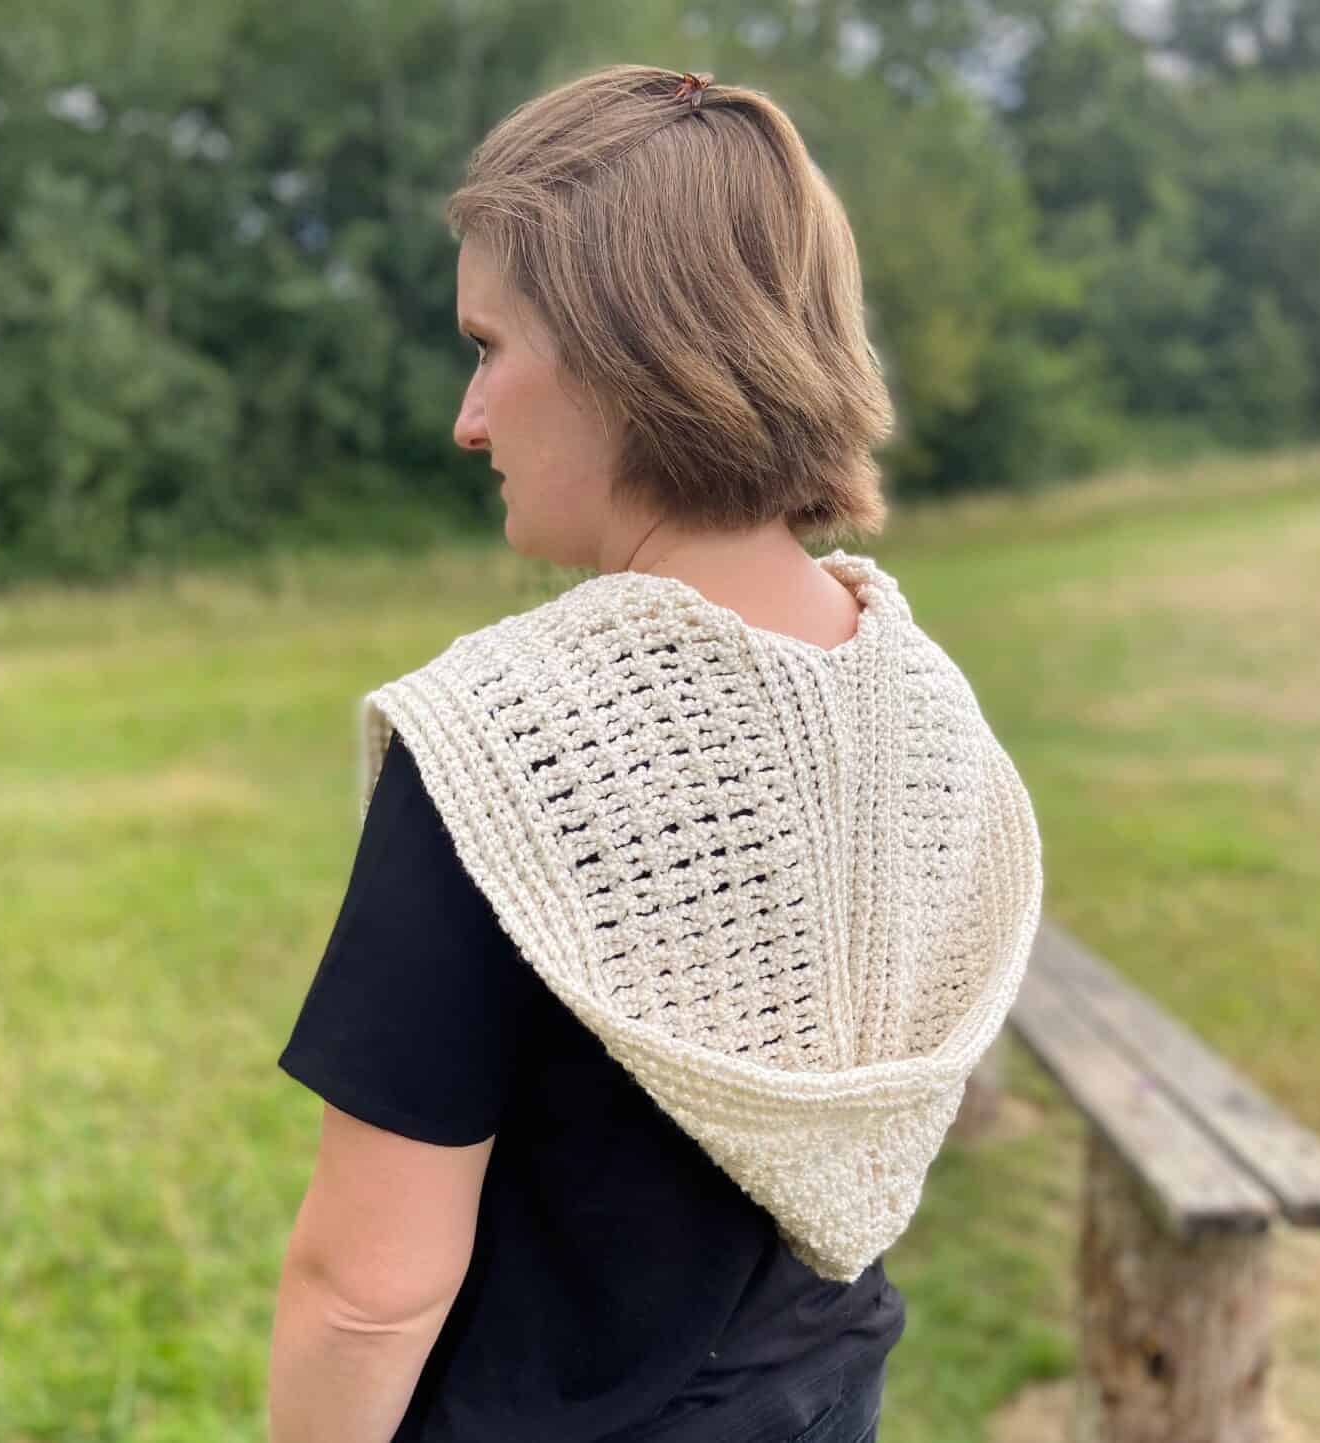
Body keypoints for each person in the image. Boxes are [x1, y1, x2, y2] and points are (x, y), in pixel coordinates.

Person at [267, 63, 1043, 1443]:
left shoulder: (505, 748)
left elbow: (364, 1292)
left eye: (491, 346)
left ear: (634, 356)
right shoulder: (930, 712)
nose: (470, 418)